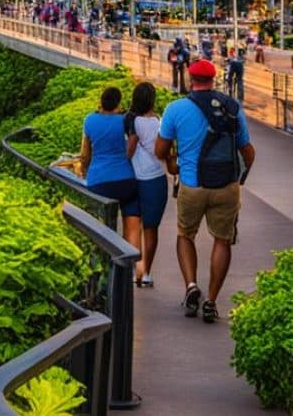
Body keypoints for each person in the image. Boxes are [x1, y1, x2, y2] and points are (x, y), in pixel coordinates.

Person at [156, 60, 258, 324]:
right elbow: (247, 149)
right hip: (226, 185)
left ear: (191, 79)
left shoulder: (175, 109)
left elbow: (159, 150)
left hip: (192, 184)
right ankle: (211, 301)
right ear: (214, 80)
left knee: (185, 234)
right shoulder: (232, 107)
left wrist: (173, 162)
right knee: (222, 240)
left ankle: (191, 286)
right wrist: (240, 175)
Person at [80, 87, 143, 244]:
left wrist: (84, 172)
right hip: (126, 180)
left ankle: (107, 261)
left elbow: (85, 155)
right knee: (133, 222)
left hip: (98, 182)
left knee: (102, 225)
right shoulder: (124, 121)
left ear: (100, 102)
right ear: (119, 104)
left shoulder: (90, 120)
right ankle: (130, 263)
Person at [125, 83, 169, 288]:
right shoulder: (158, 122)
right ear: (151, 100)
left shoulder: (130, 121)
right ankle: (147, 272)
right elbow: (164, 150)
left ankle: (136, 270)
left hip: (133, 178)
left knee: (134, 226)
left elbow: (129, 150)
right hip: (155, 178)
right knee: (151, 228)